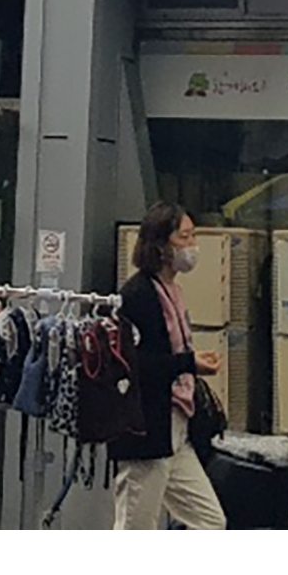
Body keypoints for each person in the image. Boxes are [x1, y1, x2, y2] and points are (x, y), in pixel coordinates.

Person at [108, 202, 226, 530]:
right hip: (147, 430)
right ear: (161, 245)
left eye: (193, 236)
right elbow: (135, 364)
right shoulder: (137, 295)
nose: (192, 246)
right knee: (137, 526)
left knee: (210, 522)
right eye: (184, 237)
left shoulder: (172, 291)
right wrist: (189, 364)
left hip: (176, 428)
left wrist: (189, 363)